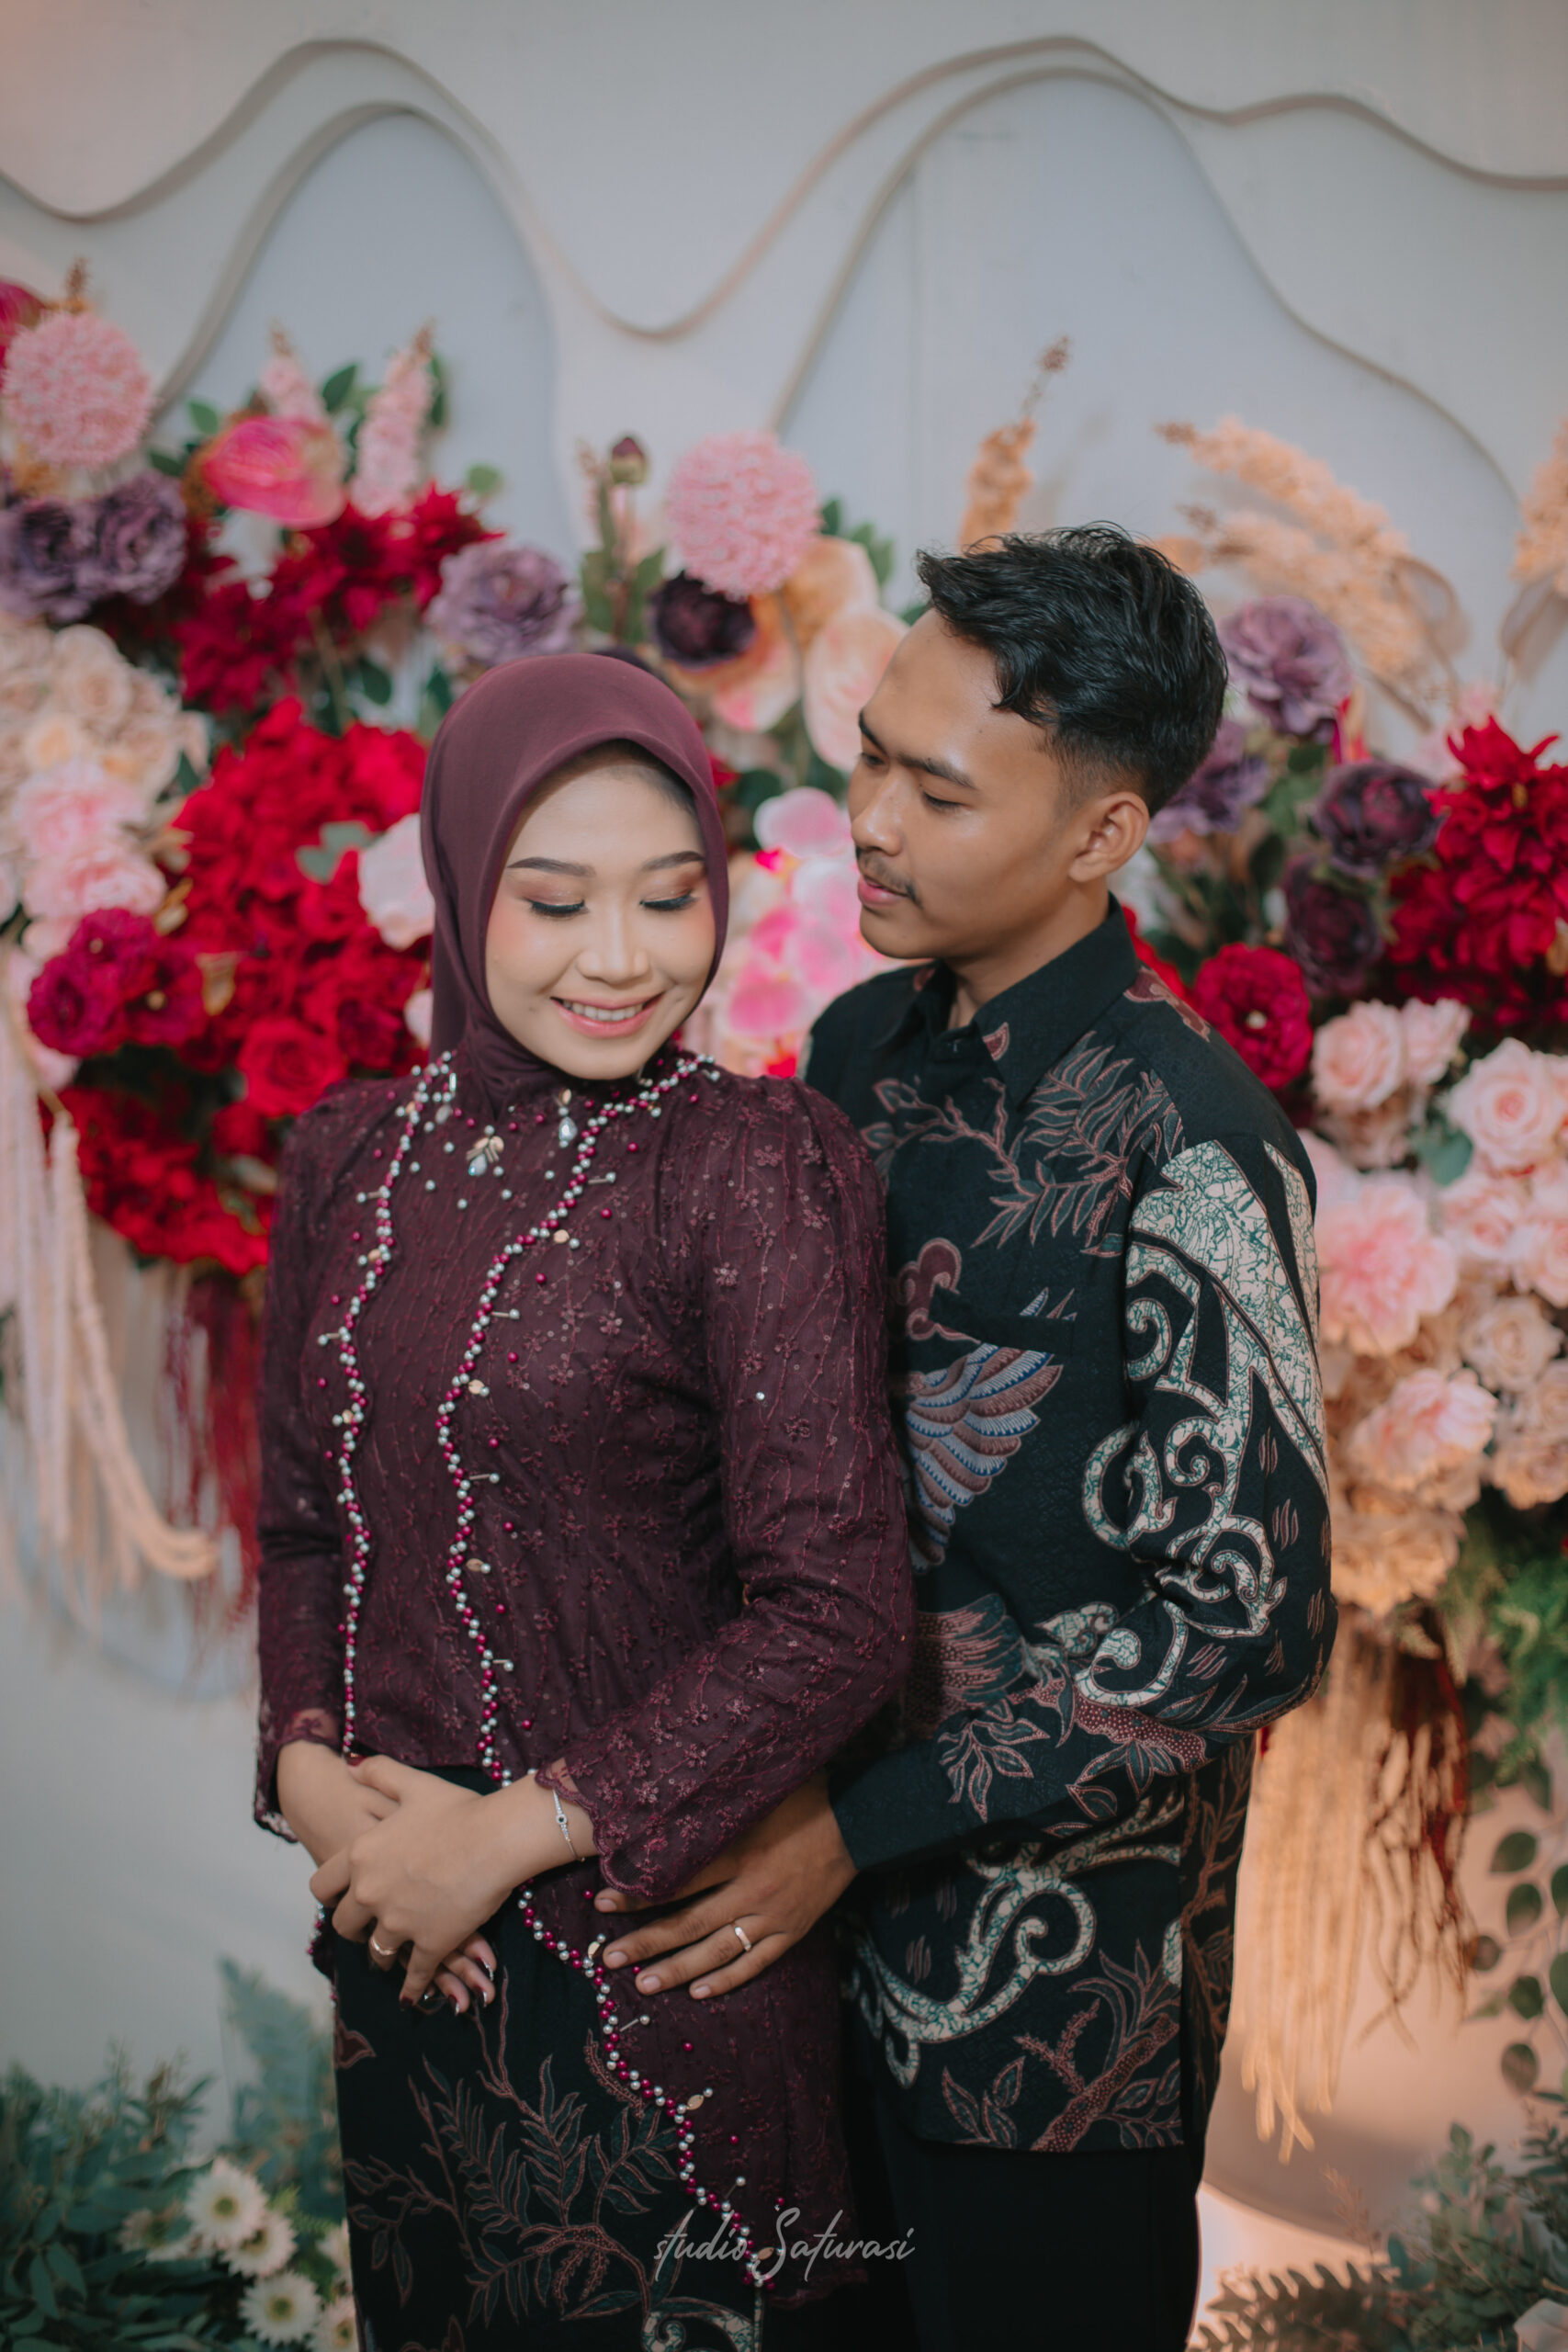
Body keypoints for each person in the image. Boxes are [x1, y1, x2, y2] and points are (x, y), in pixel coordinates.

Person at [592, 528, 1337, 2352]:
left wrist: (860, 1830)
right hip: (791, 1929)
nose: (871, 822)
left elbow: (1243, 1625)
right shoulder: (859, 1046)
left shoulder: (1197, 1143)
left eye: (936, 792)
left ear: (1099, 832)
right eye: (868, 759)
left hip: (1048, 2019)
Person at [254, 653, 913, 2349]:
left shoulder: (755, 1166)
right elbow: (308, 1527)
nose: (621, 958)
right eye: (554, 903)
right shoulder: (345, 1157)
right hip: (407, 1960)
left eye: (668, 897)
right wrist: (312, 1778)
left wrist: (502, 1838)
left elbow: (839, 1615)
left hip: (655, 1970)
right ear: (465, 884)